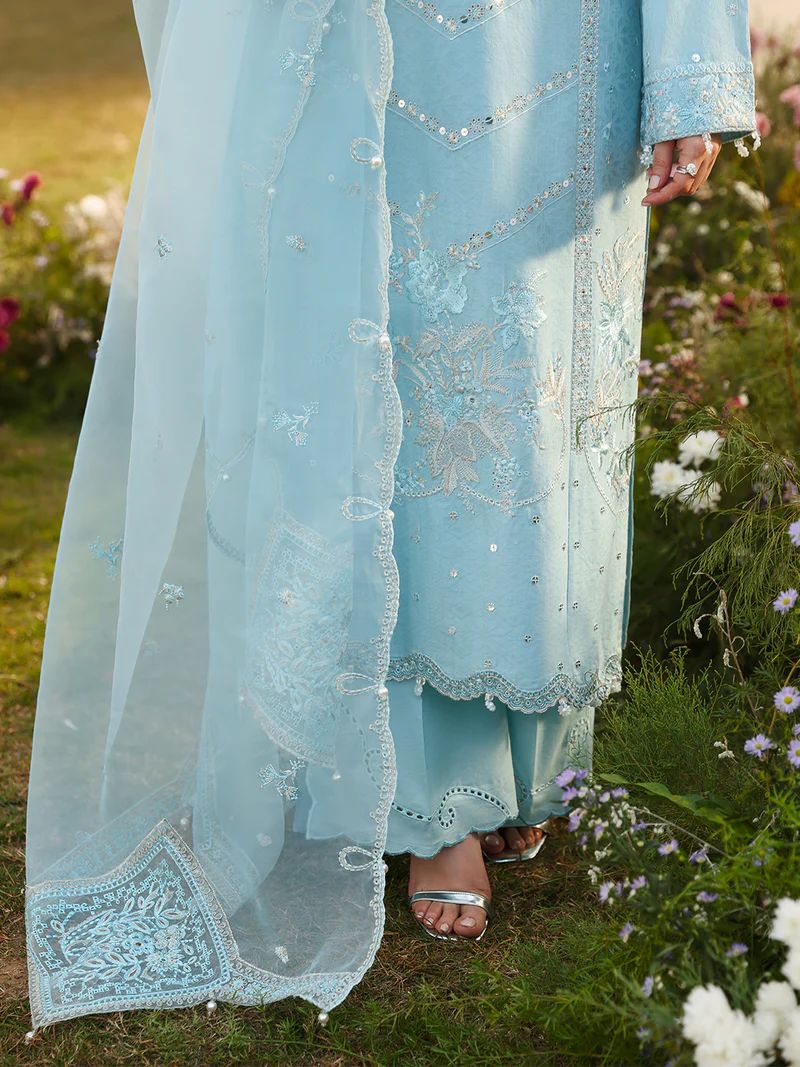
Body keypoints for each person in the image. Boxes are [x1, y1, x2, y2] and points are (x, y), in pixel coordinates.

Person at [23, 0, 758, 1037]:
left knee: (538, 389)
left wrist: (691, 76)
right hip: (376, 35)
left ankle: (520, 773)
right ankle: (430, 801)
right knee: (388, 375)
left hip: (565, 44)